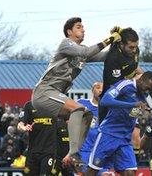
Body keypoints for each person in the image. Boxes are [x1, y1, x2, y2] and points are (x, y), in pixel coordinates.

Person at [31, 17, 121, 167]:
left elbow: (104, 56)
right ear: (69, 32)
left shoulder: (81, 53)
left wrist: (117, 43)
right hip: (44, 92)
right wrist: (110, 39)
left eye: (83, 27)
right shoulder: (66, 44)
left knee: (86, 114)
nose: (83, 29)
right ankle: (73, 152)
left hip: (54, 94)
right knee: (78, 108)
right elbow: (86, 51)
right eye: (79, 27)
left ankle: (72, 154)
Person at [86, 71, 152, 176]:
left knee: (130, 173)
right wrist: (132, 104)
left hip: (125, 139)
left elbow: (131, 113)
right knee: (93, 169)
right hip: (109, 134)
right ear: (141, 79)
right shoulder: (125, 84)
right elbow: (104, 101)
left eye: (151, 90)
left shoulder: (143, 94)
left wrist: (139, 113)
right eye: (147, 87)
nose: (148, 91)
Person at [99, 27, 144, 160]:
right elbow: (117, 87)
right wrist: (134, 80)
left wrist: (142, 76)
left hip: (131, 102)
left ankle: (131, 163)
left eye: (135, 47)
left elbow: (135, 67)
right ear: (121, 44)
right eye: (130, 47)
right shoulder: (113, 59)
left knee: (134, 135)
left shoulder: (134, 50)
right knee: (105, 149)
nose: (134, 50)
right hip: (113, 105)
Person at [17, 101, 56, 175]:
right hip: (32, 152)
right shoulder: (29, 105)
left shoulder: (55, 105)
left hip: (48, 152)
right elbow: (19, 125)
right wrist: (24, 127)